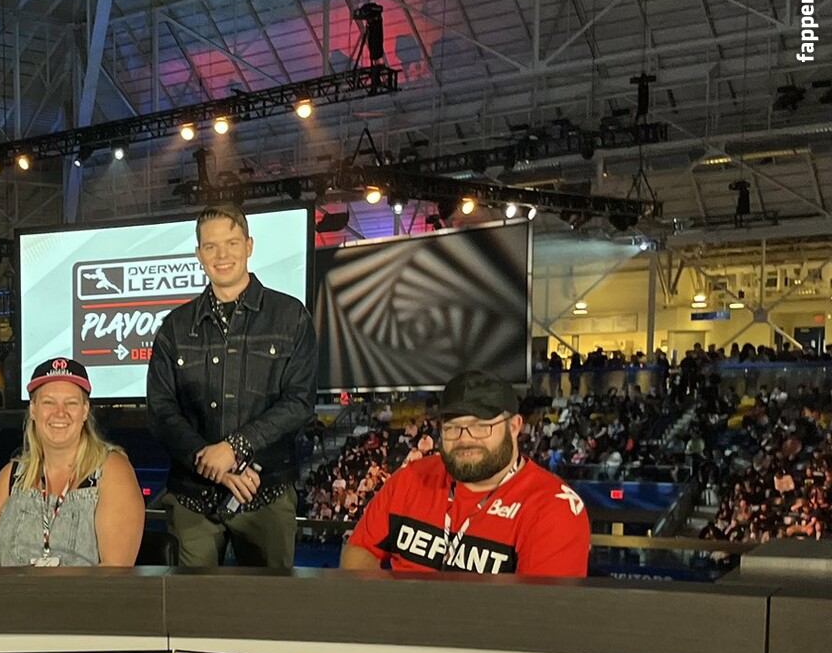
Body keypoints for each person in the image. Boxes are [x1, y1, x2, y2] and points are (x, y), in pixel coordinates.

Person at [146, 204, 318, 571]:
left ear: (249, 246)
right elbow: (161, 412)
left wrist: (234, 448)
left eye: (232, 243)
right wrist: (214, 464)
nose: (222, 255)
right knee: (189, 604)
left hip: (266, 491)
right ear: (199, 254)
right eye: (211, 246)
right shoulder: (174, 327)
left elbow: (299, 402)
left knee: (269, 603)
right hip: (192, 496)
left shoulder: (291, 316)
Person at [342, 371, 591, 576]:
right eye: (452, 428)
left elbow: (539, 612)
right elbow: (361, 549)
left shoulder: (552, 507)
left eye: (481, 427)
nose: (465, 440)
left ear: (514, 426)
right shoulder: (412, 477)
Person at [0, 356, 145, 567]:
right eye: (49, 402)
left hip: (85, 590)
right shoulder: (11, 476)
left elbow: (114, 572)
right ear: (33, 409)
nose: (60, 413)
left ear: (85, 410)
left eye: (71, 403)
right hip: (9, 589)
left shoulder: (111, 471)